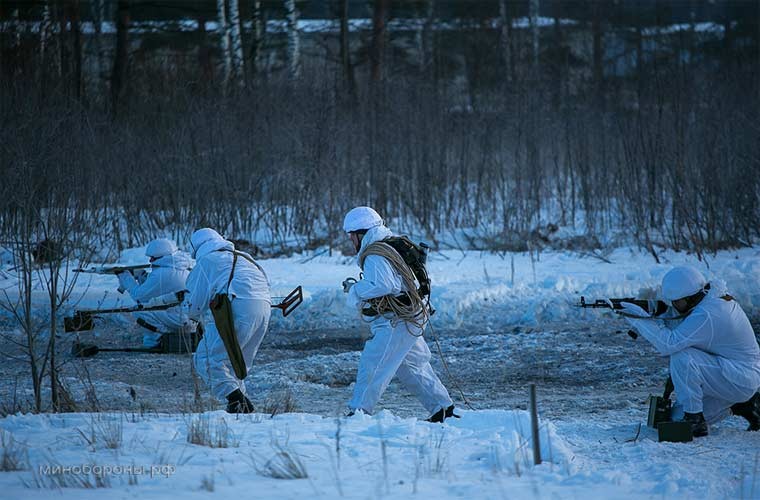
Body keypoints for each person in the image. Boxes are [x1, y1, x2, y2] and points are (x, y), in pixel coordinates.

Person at [342, 206, 456, 422]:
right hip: (413, 315)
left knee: (374, 363)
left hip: (396, 320)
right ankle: (443, 408)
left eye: (351, 236)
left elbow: (383, 284)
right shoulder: (394, 244)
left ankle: (358, 413)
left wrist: (355, 289)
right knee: (411, 365)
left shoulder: (375, 253)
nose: (351, 241)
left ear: (361, 233)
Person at [621, 266, 760, 437]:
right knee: (673, 420)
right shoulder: (709, 300)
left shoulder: (707, 313)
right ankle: (743, 404)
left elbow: (669, 344)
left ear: (690, 297)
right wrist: (654, 312)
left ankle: (695, 420)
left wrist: (638, 319)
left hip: (738, 378)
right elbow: (680, 327)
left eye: (676, 301)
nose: (673, 305)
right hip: (730, 375)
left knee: (682, 356)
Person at [182, 228, 271, 413]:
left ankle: (237, 400)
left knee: (205, 358)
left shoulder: (207, 261)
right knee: (236, 363)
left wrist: (191, 318)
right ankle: (238, 410)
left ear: (197, 249)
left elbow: (193, 305)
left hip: (236, 308)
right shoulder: (245, 258)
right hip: (264, 309)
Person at [117, 238, 195, 349]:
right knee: (152, 306)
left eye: (153, 258)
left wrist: (126, 278)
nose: (150, 261)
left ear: (163, 257)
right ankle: (164, 335)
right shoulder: (181, 267)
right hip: (188, 316)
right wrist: (142, 276)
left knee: (139, 310)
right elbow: (160, 290)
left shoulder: (161, 274)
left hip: (178, 318)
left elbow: (139, 296)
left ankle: (158, 338)